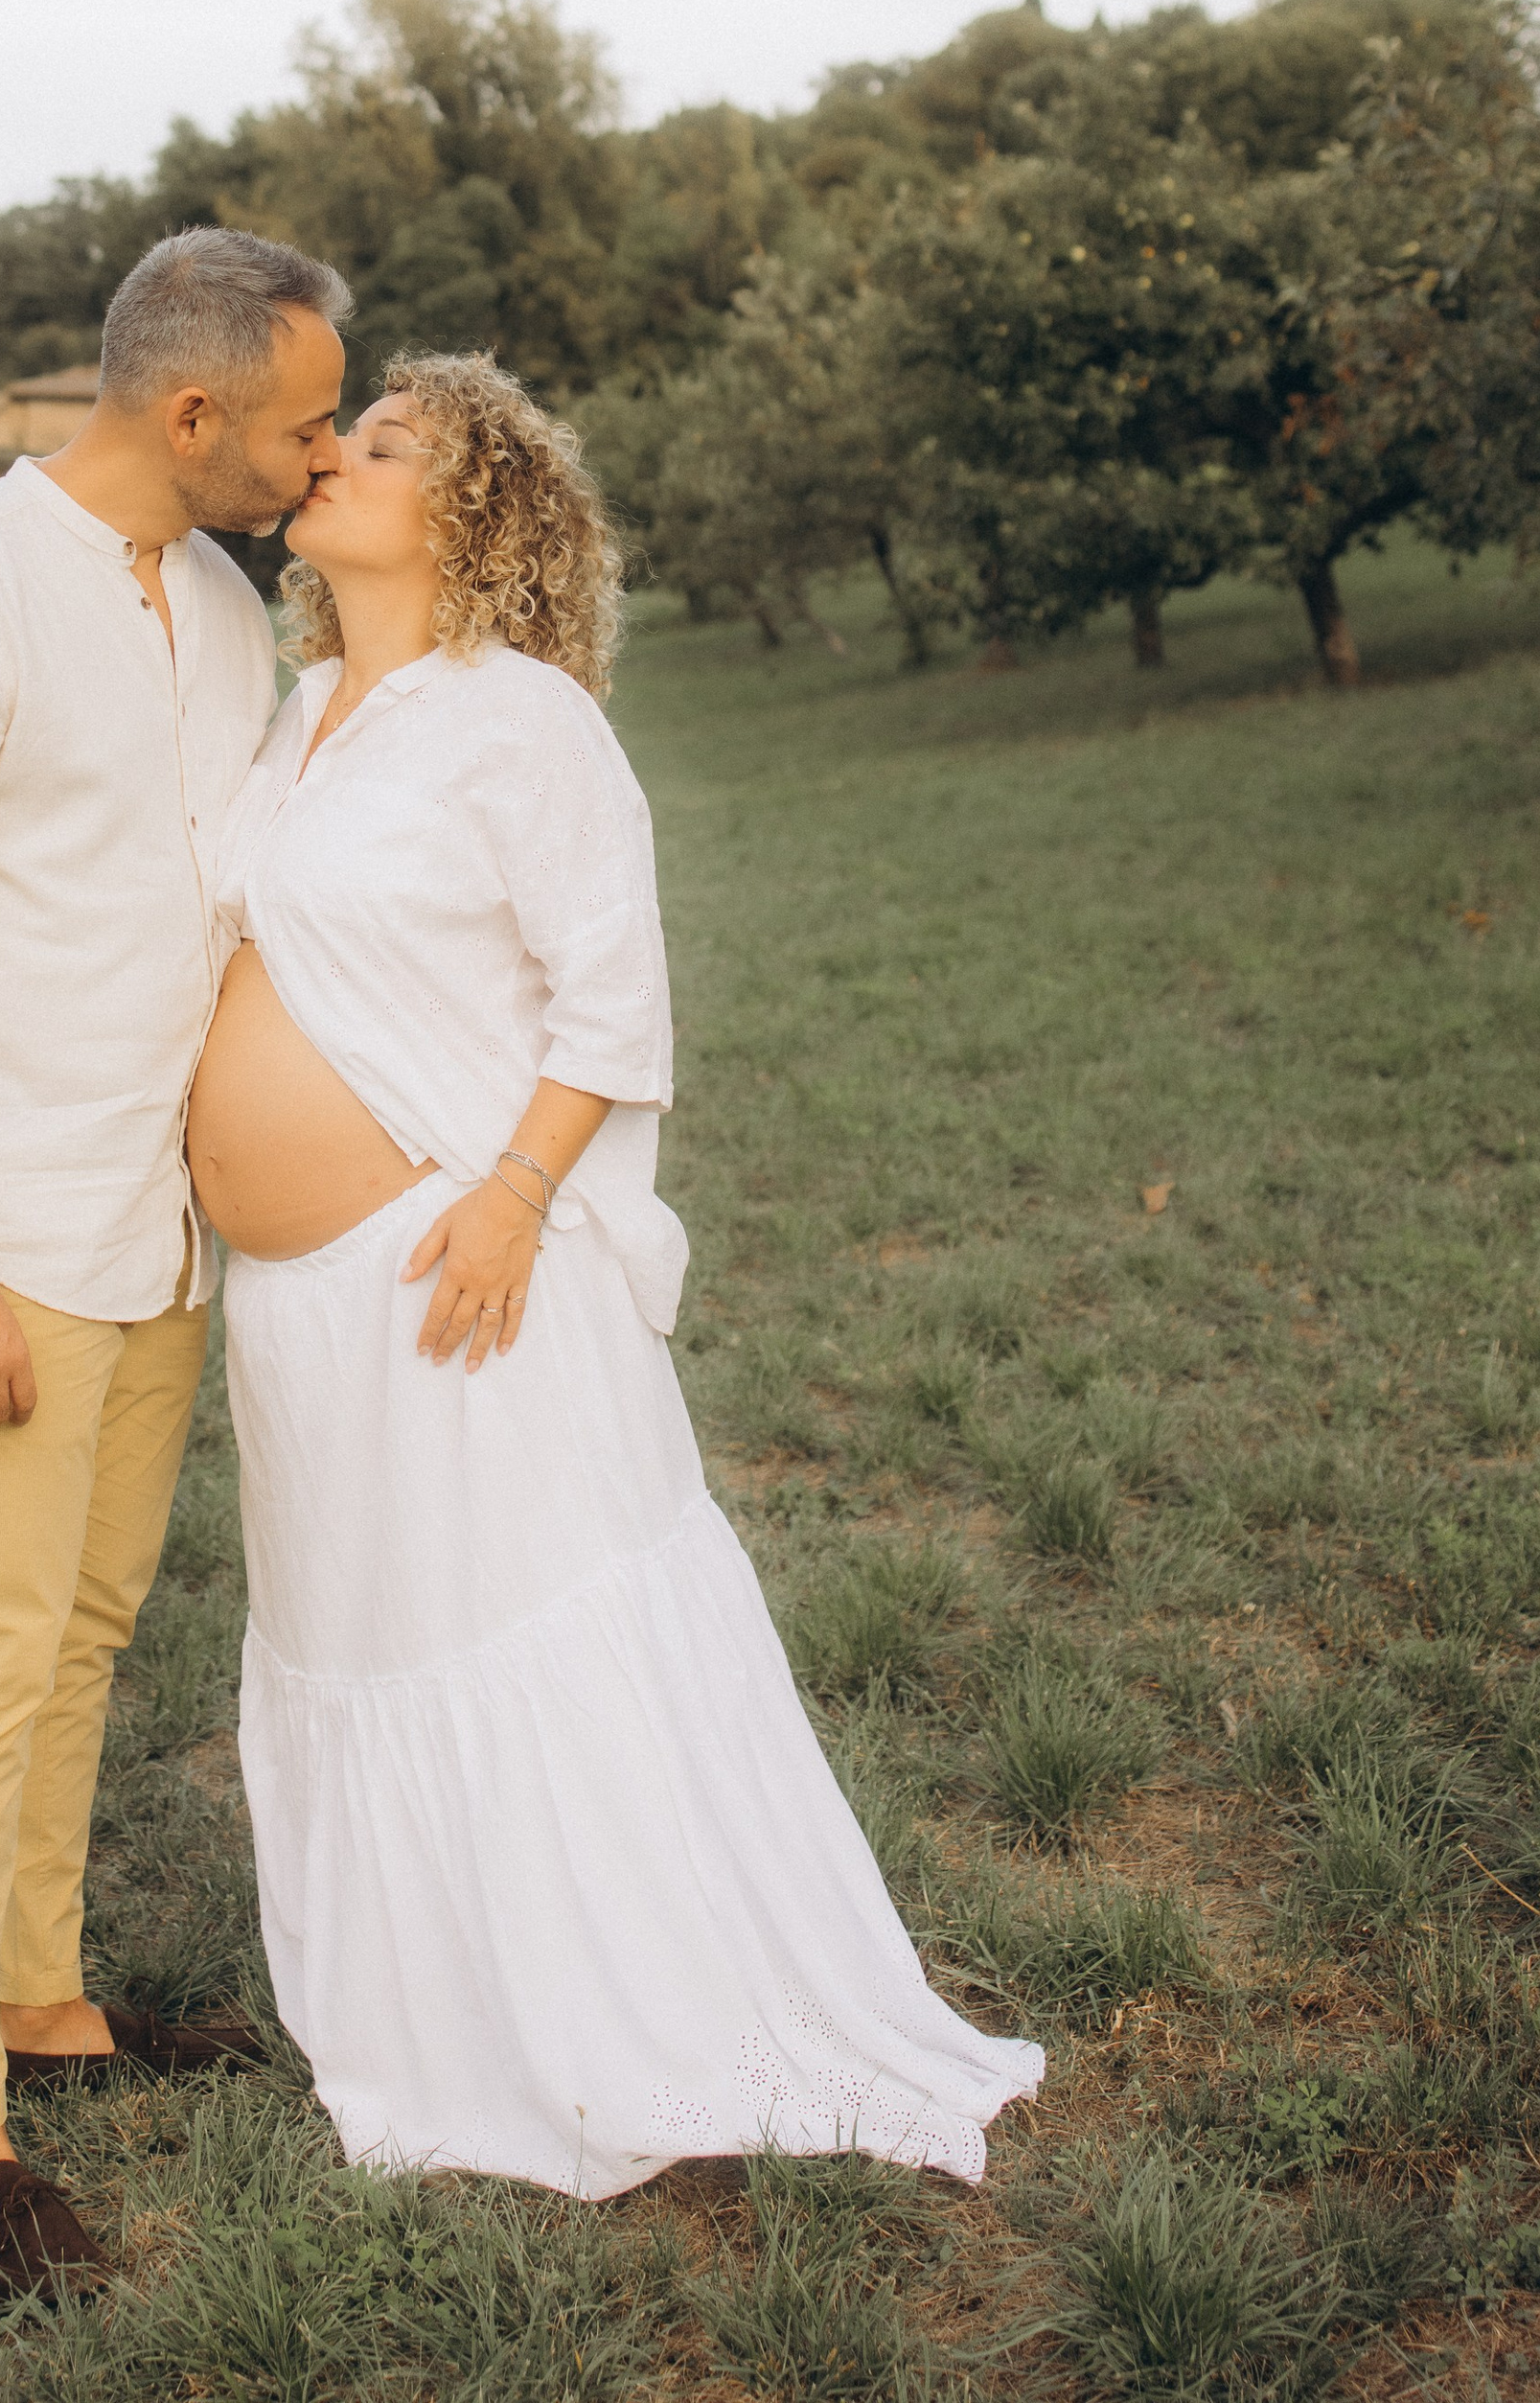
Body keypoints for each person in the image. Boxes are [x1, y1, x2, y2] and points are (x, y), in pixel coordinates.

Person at [189, 355, 1045, 2198]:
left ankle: (621, 2013)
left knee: (520, 1629)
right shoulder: (306, 704)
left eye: (387, 444)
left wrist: (508, 1197)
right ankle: (441, 2012)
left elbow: (612, 993)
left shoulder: (522, 722)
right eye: (338, 435)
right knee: (370, 1637)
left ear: (474, 509)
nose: (335, 456)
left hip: (456, 1269)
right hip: (298, 1314)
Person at [0, 227, 352, 2299]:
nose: (319, 453)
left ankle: (41, 1997)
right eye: (303, 418)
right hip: (0, 1230)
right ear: (190, 410)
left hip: (163, 1225)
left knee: (84, 1628)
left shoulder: (216, 605)